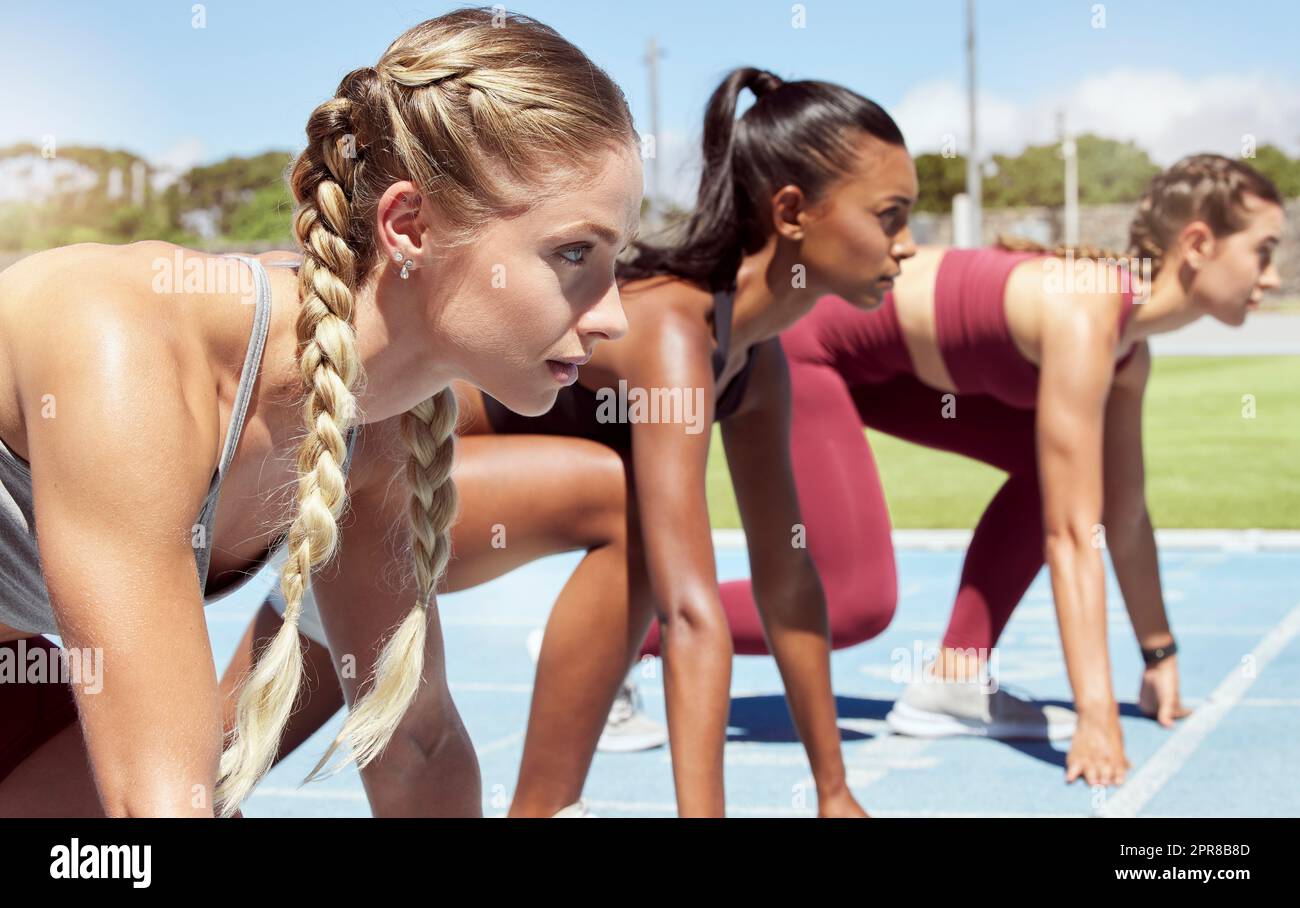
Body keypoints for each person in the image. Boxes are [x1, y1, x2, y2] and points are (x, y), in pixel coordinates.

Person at [222, 67, 918, 817]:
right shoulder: (675, 334)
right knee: (633, 513)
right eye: (890, 215)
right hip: (398, 476)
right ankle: (546, 808)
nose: (907, 245)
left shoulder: (756, 364)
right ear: (792, 213)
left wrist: (834, 792)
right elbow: (689, 610)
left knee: (213, 763)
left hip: (394, 495)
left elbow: (787, 580)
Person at [0, 7, 640, 818]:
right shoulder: (123, 347)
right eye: (574, 253)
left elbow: (417, 744)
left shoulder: (374, 434)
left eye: (616, 260)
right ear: (410, 225)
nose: (613, 315)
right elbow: (156, 810)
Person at [630, 153, 1284, 789]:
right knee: (855, 602)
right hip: (812, 345)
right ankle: (624, 638)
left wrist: (1158, 652)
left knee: (1062, 471)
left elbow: (1125, 513)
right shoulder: (1086, 310)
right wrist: (1096, 715)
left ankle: (955, 675)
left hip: (887, 371)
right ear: (1197, 243)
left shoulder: (1127, 353)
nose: (1273, 276)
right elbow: (1068, 533)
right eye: (1263, 250)